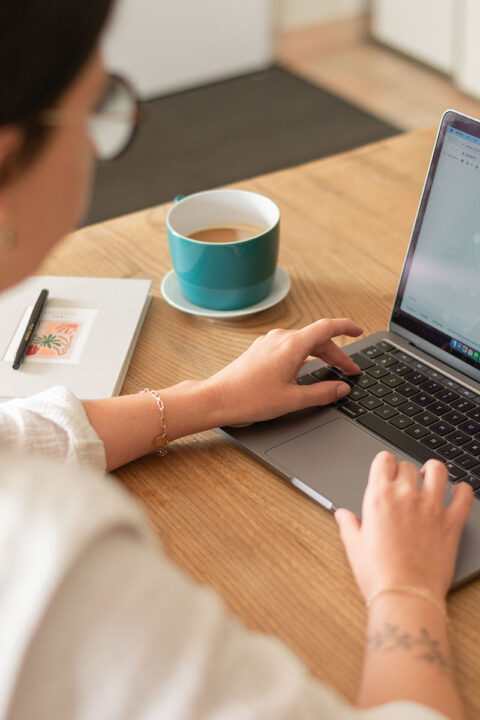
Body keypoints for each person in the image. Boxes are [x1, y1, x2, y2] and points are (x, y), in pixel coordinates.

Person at [0, 3, 473, 719]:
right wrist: (405, 593)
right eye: (97, 108)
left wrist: (209, 399)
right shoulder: (52, 560)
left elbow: (13, 441)